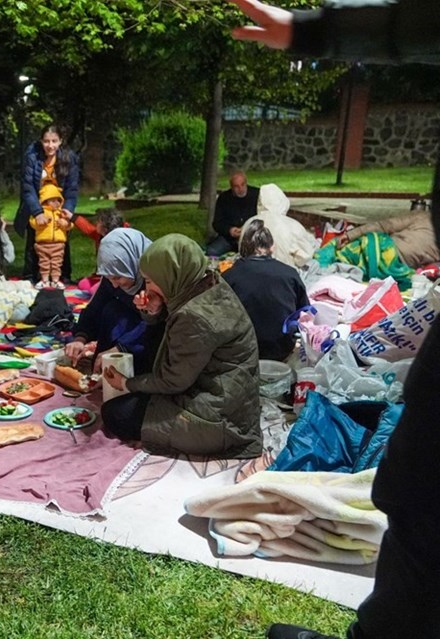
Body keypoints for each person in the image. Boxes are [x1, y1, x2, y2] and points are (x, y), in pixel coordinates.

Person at [230, 1, 440, 638]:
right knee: (412, 489)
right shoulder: (284, 267)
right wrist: (311, 31)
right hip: (275, 362)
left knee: (414, 487)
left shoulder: (231, 278)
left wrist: (312, 31)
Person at [99, 233, 262, 459]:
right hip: (224, 397)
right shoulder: (207, 282)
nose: (147, 287)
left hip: (220, 418)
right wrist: (154, 312)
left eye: (150, 280)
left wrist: (126, 383)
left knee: (115, 413)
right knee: (134, 400)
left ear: (170, 275)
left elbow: (173, 381)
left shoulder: (194, 316)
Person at [65, 228, 159, 375]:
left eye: (118, 277)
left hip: (155, 339)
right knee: (111, 309)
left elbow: (160, 323)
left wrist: (122, 349)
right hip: (132, 329)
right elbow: (96, 307)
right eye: (109, 278)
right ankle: (102, 369)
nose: (114, 285)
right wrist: (80, 338)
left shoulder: (156, 277)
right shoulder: (113, 278)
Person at [224, 220, 309, 361]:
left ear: (244, 247)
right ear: (272, 247)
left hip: (241, 350)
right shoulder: (290, 274)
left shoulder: (229, 276)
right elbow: (304, 312)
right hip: (281, 349)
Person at [14, 123, 80, 283]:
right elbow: (28, 188)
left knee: (61, 239)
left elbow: (72, 189)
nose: (50, 145)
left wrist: (67, 211)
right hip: (37, 204)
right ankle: (31, 276)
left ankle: (63, 277)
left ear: (60, 141)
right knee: (34, 240)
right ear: (41, 141)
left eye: (54, 141)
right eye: (46, 141)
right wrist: (37, 212)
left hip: (59, 206)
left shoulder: (69, 158)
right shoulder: (32, 157)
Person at [242, 183, 318, 268]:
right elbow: (305, 257)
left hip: (251, 270)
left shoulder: (248, 223)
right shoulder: (292, 225)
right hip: (284, 272)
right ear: (282, 201)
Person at [336, 210, 439, 269]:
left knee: (339, 255)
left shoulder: (422, 216)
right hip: (400, 265)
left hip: (382, 249)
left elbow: (385, 225)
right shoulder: (423, 217)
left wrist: (351, 235)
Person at [29, 184, 73, 289]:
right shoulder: (40, 213)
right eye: (53, 200)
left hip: (58, 244)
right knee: (44, 262)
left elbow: (71, 225)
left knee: (57, 263)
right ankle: (44, 280)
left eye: (58, 200)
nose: (56, 203)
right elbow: (32, 223)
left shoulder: (62, 213)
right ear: (45, 201)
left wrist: (66, 224)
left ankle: (55, 280)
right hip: (42, 244)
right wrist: (41, 222)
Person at [208, 171, 260, 256]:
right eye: (236, 186)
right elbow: (217, 223)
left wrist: (248, 230)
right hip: (229, 238)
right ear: (231, 187)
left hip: (252, 237)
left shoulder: (257, 195)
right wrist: (230, 230)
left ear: (246, 183)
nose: (240, 188)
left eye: (242, 184)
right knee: (211, 252)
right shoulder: (224, 198)